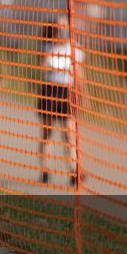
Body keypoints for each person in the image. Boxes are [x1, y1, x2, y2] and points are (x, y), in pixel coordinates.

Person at [37, 17, 84, 187]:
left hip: (67, 91)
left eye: (64, 27)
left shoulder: (73, 49)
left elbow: (79, 73)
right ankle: (45, 171)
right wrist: (48, 54)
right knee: (47, 132)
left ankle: (73, 171)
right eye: (58, 27)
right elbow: (40, 68)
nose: (61, 30)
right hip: (50, 90)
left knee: (68, 134)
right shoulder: (46, 47)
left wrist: (82, 93)